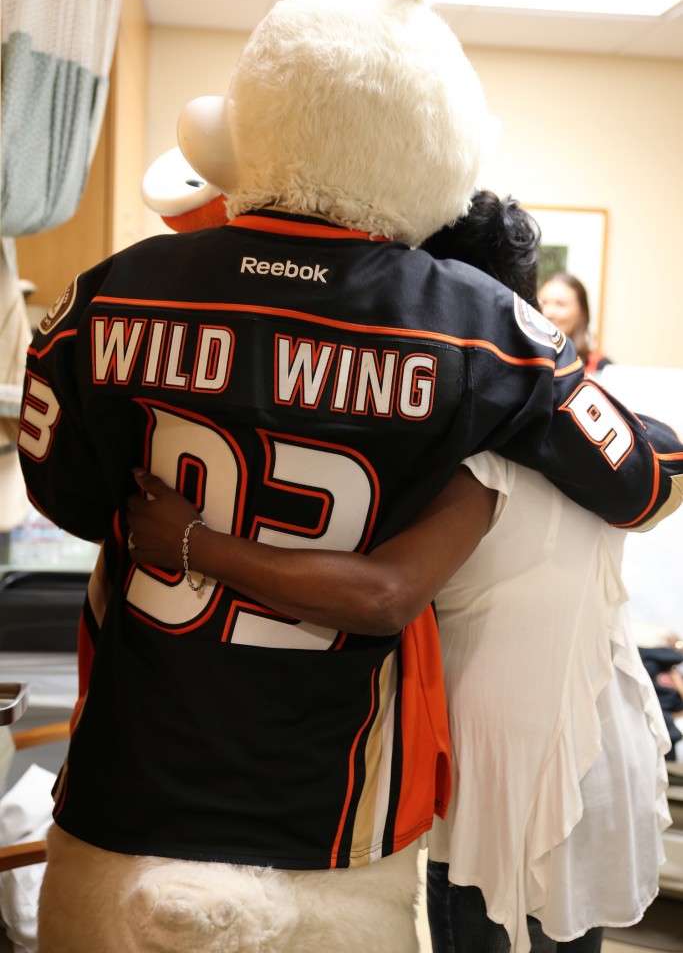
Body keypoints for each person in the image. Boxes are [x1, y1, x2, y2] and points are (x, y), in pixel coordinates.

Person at [17, 0, 682, 949]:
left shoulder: (117, 287)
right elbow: (641, 481)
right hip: (328, 809)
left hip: (131, 780)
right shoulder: (473, 323)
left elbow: (62, 494)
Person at [125, 191, 673, 953]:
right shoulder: (579, 422)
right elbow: (656, 468)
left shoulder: (481, 447)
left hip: (514, 776)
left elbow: (385, 596)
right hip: (592, 734)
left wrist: (192, 542)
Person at [537, 271, 611, 374]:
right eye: (543, 303)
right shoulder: (524, 361)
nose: (548, 313)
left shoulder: (600, 367)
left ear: (582, 313)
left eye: (561, 304)